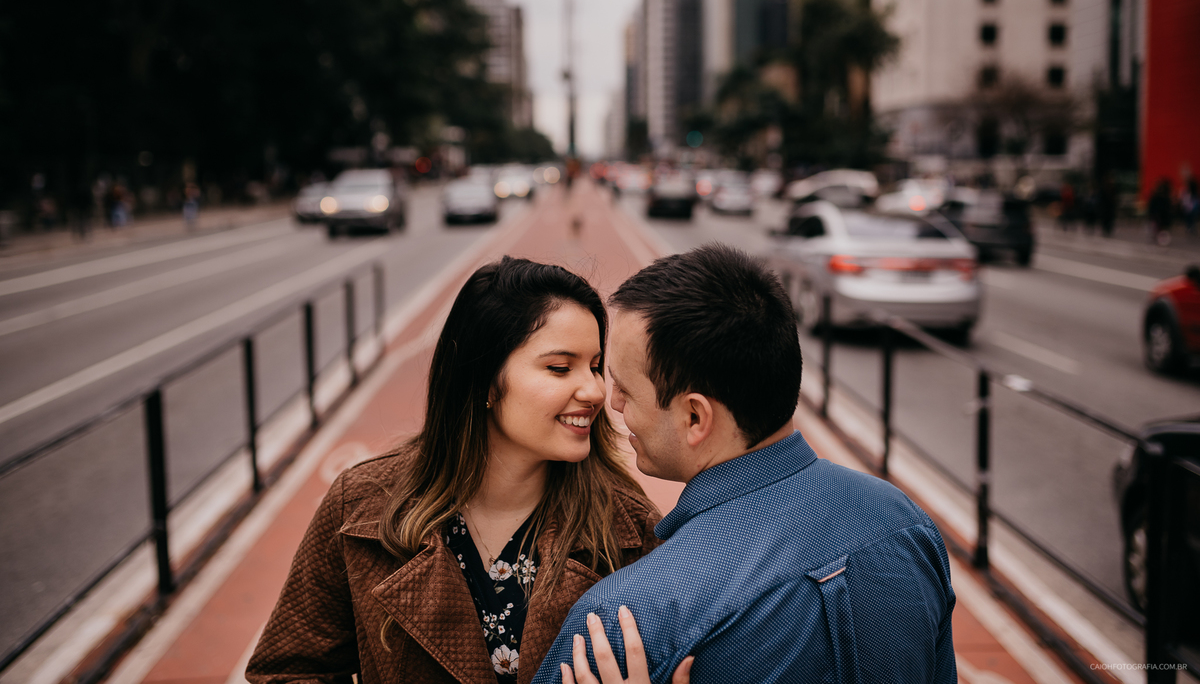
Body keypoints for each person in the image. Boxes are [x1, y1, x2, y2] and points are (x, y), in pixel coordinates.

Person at [535, 244, 957, 684]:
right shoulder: (907, 525)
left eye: (624, 388)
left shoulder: (622, 624)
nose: (611, 401)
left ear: (695, 417)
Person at [246, 257, 663, 684]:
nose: (595, 390)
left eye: (595, 366)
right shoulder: (361, 505)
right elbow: (287, 671)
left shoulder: (631, 529)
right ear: (483, 379)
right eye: (560, 367)